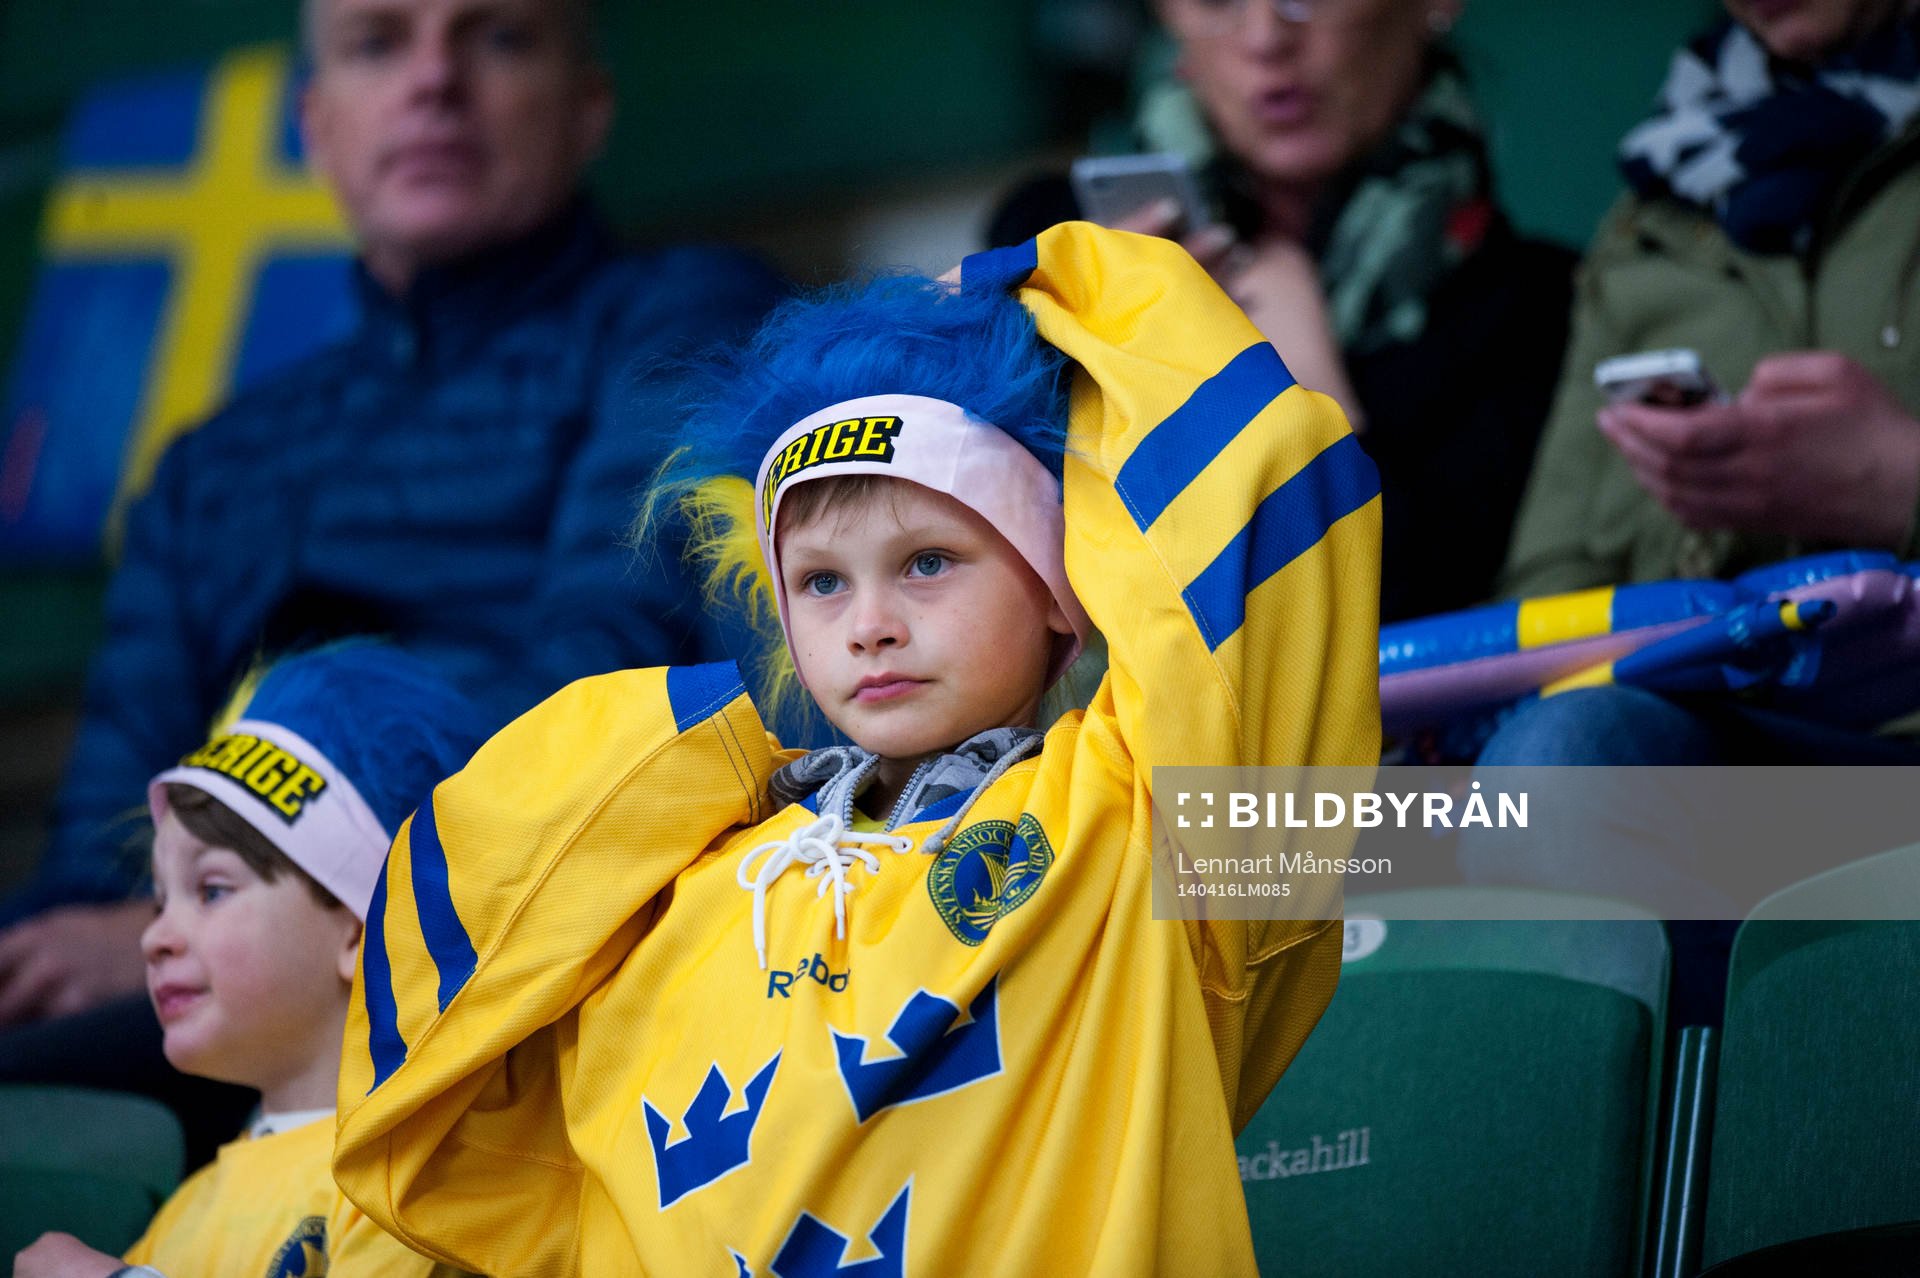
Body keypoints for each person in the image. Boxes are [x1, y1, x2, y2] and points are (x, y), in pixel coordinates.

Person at [327, 224, 1381, 1275]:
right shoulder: (677, 889)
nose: (868, 623)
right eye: (822, 582)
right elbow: (429, 1057)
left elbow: (1264, 484)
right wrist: (700, 737)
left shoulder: (1145, 824)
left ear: (1064, 589)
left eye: (927, 562)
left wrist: (1038, 282)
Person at [0, 0, 784, 1108]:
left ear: (589, 107)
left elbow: (597, 701)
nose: (434, 81)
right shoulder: (209, 469)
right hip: (195, 981)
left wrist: (220, 907)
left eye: (498, 38)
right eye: (378, 43)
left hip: (514, 966)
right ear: (316, 126)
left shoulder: (683, 315)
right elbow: (94, 858)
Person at [1465, 0, 1920, 1028]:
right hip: (1763, 759)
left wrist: (1899, 481)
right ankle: (1653, 1169)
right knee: (1548, 764)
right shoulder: (1650, 218)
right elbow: (1547, 593)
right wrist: (1707, 521)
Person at [989, 0, 1574, 622]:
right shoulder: (1049, 247)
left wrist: (1301, 390)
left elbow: (1403, 625)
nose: (1266, 38)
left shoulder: (1541, 306)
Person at [12, 644, 485, 1278]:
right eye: (159, 901)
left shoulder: (413, 1180)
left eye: (211, 890)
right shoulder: (186, 1210)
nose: (155, 939)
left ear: (356, 933)